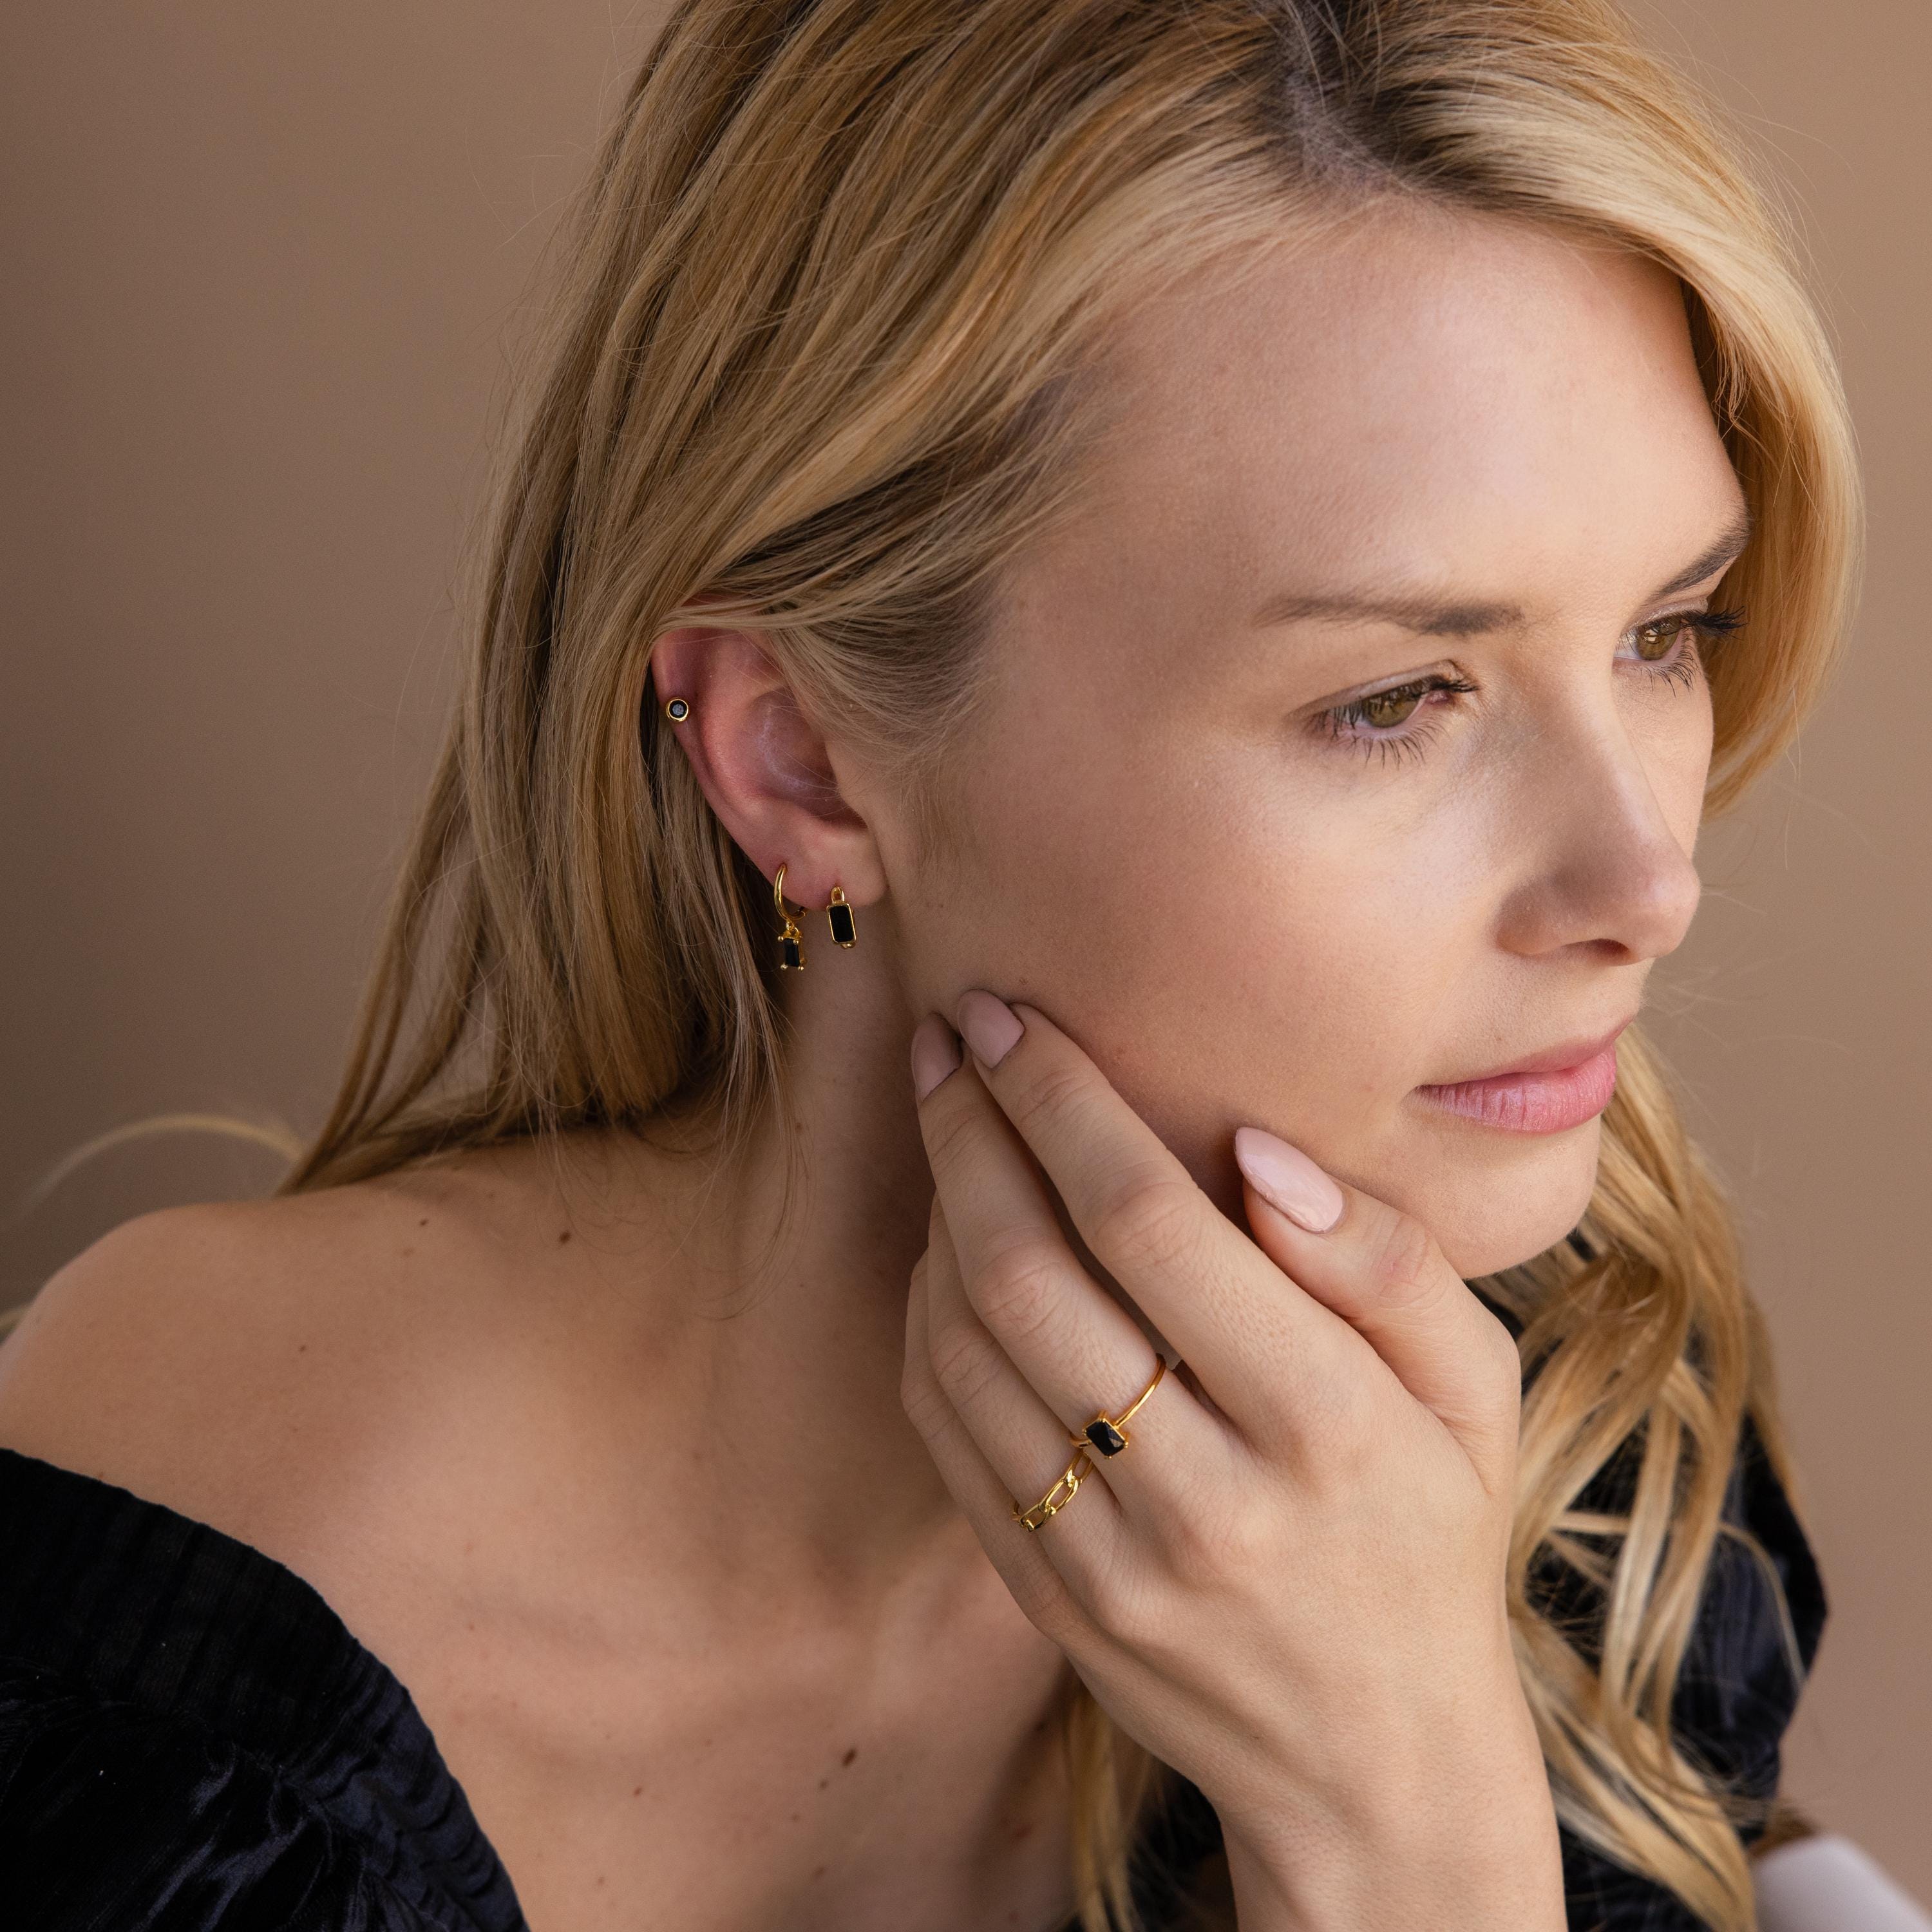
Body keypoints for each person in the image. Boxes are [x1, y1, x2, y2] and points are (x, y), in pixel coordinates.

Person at [0, 0, 1908, 1927]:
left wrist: (1407, 1828)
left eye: (1671, 629)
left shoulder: (1577, 1431)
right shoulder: (194, 1633)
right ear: (798, 759)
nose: (1646, 879)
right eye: (1398, 697)